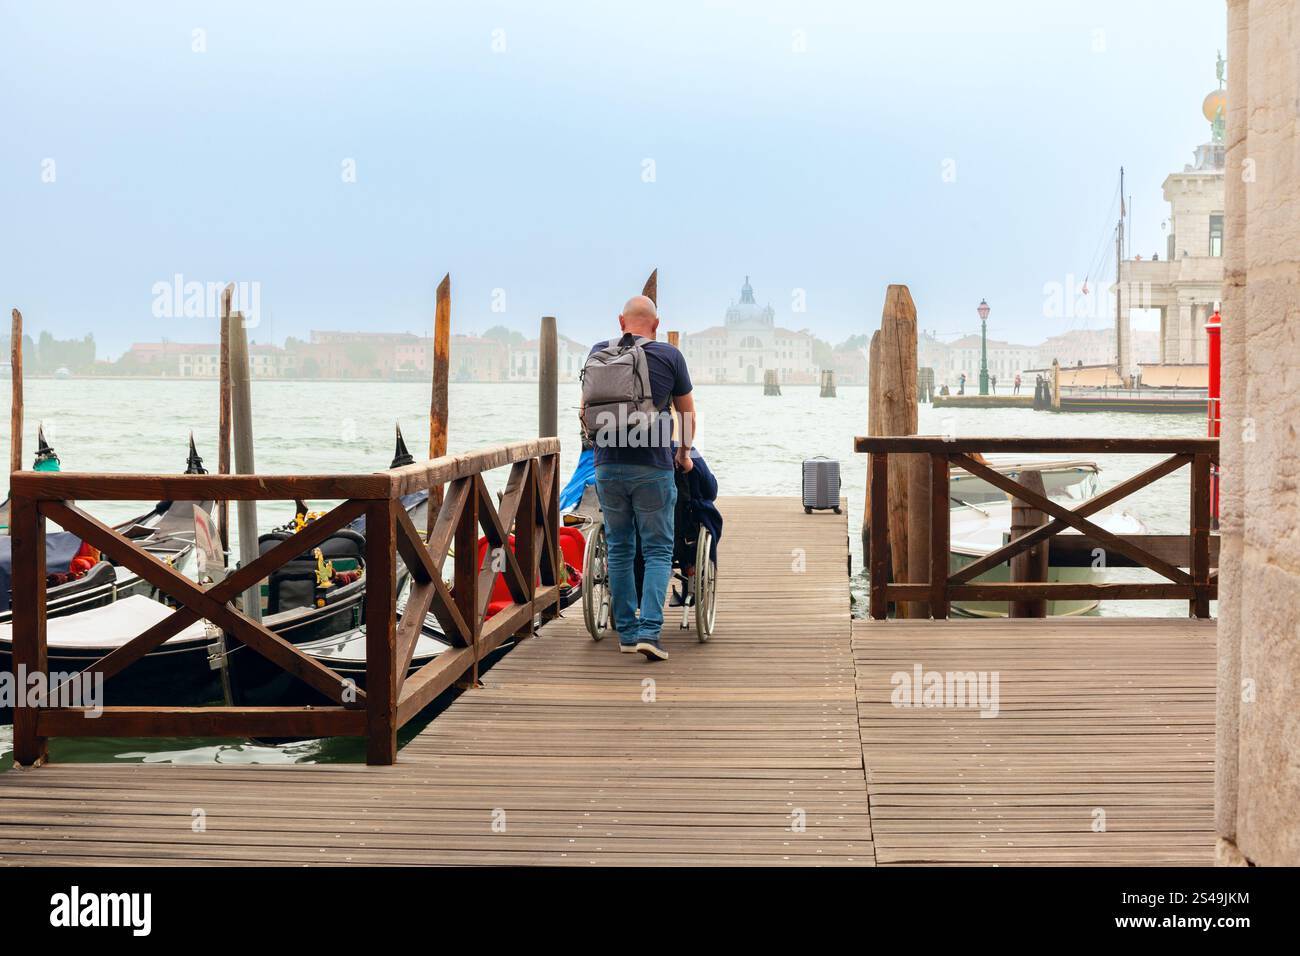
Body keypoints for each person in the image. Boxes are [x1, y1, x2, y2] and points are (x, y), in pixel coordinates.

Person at [582, 295, 695, 661]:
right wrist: (684, 454)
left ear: (620, 321)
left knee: (619, 547)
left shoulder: (598, 352)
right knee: (659, 549)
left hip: (606, 465)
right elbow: (687, 412)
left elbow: (585, 410)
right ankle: (650, 631)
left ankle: (626, 634)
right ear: (656, 325)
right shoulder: (670, 356)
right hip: (652, 466)